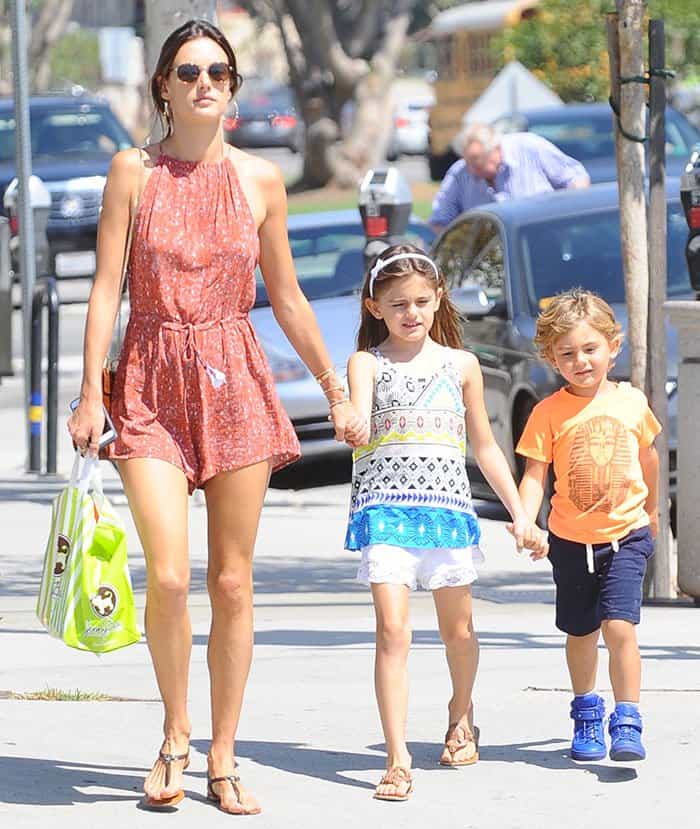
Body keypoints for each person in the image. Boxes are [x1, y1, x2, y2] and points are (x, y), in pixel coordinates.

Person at [67, 18, 363, 815]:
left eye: (220, 72)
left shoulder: (261, 180)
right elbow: (105, 289)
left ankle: (224, 753)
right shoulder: (132, 171)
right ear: (163, 84)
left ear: (233, 87)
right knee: (168, 573)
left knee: (232, 580)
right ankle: (175, 732)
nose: (206, 83)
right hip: (152, 378)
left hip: (235, 378)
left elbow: (290, 296)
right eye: (190, 70)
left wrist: (334, 389)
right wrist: (91, 390)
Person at [343, 243, 548, 801]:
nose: (411, 313)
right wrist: (353, 423)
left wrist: (521, 514)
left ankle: (462, 713)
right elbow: (359, 414)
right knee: (393, 632)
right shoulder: (367, 363)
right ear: (374, 307)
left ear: (438, 301)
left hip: (447, 512)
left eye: (421, 301)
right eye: (398, 304)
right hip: (385, 510)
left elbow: (485, 446)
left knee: (457, 631)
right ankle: (396, 757)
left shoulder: (461, 366)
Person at [514, 289, 660, 763]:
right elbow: (534, 474)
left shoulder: (632, 403)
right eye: (568, 353)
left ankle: (628, 718)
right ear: (553, 358)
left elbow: (649, 458)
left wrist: (653, 515)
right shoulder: (547, 413)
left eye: (590, 349)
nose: (581, 361)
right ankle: (587, 712)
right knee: (580, 633)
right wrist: (524, 519)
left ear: (613, 347)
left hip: (627, 535)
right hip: (570, 541)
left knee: (619, 626)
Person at [429, 123, 590, 233]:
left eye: (477, 163)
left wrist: (571, 224)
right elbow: (440, 220)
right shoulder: (460, 173)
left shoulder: (530, 147)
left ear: (496, 149)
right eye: (467, 162)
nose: (471, 170)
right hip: (490, 260)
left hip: (548, 240)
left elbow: (576, 178)